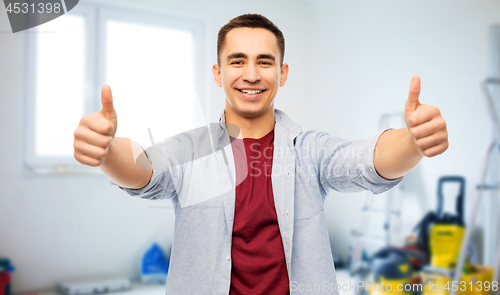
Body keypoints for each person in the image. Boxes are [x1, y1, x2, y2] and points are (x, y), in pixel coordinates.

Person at [73, 14, 448, 295]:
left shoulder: (310, 149)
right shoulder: (190, 149)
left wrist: (413, 141)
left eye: (264, 62)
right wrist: (107, 151)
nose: (251, 74)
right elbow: (145, 170)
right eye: (237, 61)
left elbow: (367, 160)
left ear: (282, 73)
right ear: (218, 74)